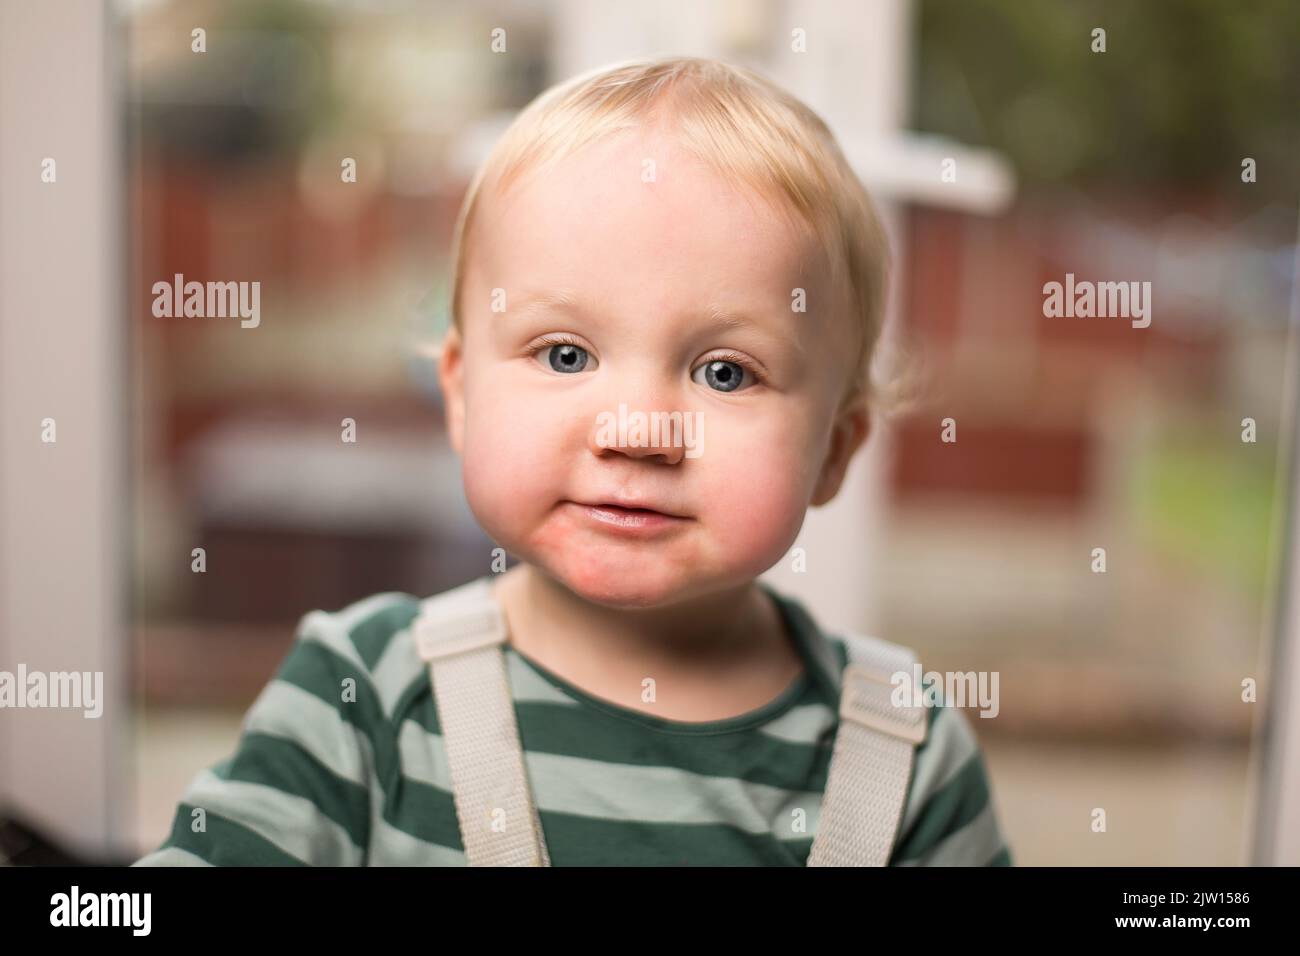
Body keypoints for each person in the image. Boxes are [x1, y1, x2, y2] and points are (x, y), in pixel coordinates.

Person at [134, 56, 1012, 867]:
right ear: (463, 393)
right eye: (564, 355)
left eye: (725, 372)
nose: (636, 431)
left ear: (837, 449)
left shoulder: (905, 753)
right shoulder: (361, 698)